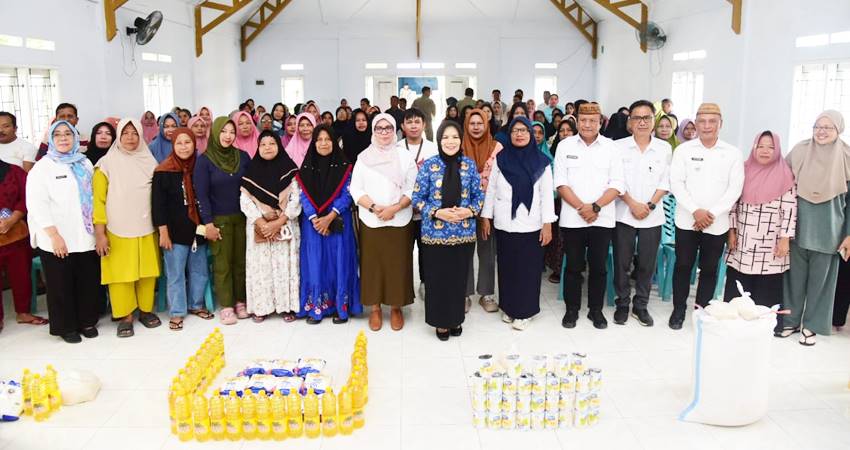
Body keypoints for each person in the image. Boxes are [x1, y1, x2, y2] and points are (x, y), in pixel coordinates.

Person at [669, 103, 744, 330]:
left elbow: (735, 189)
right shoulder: (683, 150)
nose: (707, 126)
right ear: (696, 123)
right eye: (702, 121)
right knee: (683, 266)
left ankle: (701, 311)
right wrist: (695, 210)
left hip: (716, 223)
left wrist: (711, 214)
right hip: (687, 220)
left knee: (709, 269)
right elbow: (676, 183)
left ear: (721, 124)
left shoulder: (732, 153)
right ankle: (678, 310)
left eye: (712, 121)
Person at [27, 120, 101, 341]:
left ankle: (87, 321)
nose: (63, 138)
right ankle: (66, 327)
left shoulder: (85, 163)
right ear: (51, 139)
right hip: (56, 237)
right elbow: (37, 205)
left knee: (87, 280)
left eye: (67, 133)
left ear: (75, 137)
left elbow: (95, 197)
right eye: (57, 134)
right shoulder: (42, 168)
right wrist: (54, 235)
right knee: (61, 284)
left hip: (85, 235)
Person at [554, 102, 625, 329]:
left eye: (592, 121)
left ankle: (596, 310)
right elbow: (561, 183)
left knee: (598, 268)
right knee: (573, 267)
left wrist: (595, 207)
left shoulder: (611, 148)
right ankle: (571, 310)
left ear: (600, 122)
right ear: (577, 121)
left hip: (601, 219)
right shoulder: (565, 146)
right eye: (583, 120)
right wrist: (582, 207)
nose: (587, 125)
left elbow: (617, 184)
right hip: (572, 219)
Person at [783, 110, 850, 346]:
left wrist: (848, 234)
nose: (821, 131)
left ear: (838, 130)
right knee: (793, 279)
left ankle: (812, 325)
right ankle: (790, 320)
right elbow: (782, 184)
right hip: (798, 225)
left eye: (827, 127)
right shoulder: (800, 150)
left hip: (830, 230)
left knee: (821, 284)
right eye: (817, 126)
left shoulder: (847, 156)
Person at [482, 116, 555, 330]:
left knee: (528, 269)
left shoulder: (542, 162)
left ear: (530, 134)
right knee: (507, 267)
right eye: (515, 130)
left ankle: (525, 311)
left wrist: (548, 224)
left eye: (524, 130)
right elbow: (491, 189)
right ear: (509, 134)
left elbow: (546, 195)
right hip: (505, 222)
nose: (519, 134)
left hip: (531, 225)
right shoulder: (501, 158)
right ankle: (508, 307)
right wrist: (486, 216)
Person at [413, 121, 483, 339]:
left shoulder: (469, 165)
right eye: (445, 137)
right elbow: (417, 197)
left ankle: (455, 319)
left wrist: (469, 211)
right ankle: (440, 322)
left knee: (458, 279)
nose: (450, 142)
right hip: (434, 235)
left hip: (463, 233)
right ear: (439, 140)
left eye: (455, 137)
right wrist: (437, 212)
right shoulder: (429, 165)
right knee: (437, 280)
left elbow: (479, 196)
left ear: (461, 140)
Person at [93, 118, 162, 337]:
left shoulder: (149, 161)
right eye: (125, 133)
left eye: (134, 133)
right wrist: (100, 233)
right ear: (119, 136)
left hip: (146, 225)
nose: (130, 138)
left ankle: (146, 311)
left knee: (146, 272)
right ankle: (125, 316)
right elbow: (98, 201)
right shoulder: (106, 163)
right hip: (117, 228)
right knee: (121, 275)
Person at [350, 113, 417, 331]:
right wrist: (374, 207)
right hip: (372, 219)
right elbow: (355, 188)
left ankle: (396, 307)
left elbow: (412, 188)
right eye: (380, 128)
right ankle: (375, 308)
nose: (384, 132)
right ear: (373, 131)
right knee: (373, 265)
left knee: (397, 264)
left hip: (399, 218)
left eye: (388, 128)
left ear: (395, 130)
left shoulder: (405, 156)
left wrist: (394, 208)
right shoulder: (363, 157)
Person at [611, 100, 672, 327]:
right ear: (630, 122)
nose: (642, 122)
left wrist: (650, 205)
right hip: (623, 213)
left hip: (652, 215)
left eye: (647, 118)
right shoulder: (617, 147)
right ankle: (622, 304)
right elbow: (615, 181)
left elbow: (666, 181)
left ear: (653, 121)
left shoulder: (664, 148)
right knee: (622, 262)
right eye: (637, 118)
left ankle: (641, 305)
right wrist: (632, 204)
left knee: (647, 263)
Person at [725, 131, 796, 326]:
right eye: (761, 146)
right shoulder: (743, 170)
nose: (765, 151)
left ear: (777, 150)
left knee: (768, 283)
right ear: (754, 147)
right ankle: (735, 321)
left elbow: (790, 210)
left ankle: (764, 325)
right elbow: (732, 203)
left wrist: (785, 239)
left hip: (771, 242)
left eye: (771, 147)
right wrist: (731, 231)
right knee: (739, 280)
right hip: (743, 238)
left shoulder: (785, 174)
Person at [296, 124, 361, 324]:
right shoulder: (305, 168)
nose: (323, 143)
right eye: (319, 140)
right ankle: (317, 307)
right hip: (313, 226)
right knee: (316, 263)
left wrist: (330, 216)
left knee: (338, 262)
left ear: (334, 142)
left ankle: (341, 307)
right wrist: (315, 218)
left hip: (338, 221)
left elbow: (348, 194)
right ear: (313, 143)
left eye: (327, 139)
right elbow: (302, 195)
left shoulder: (345, 167)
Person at [152, 128, 212, 331]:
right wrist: (163, 232)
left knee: (199, 270)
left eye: (188, 142)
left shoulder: (201, 167)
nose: (184, 147)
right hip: (174, 232)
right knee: (175, 273)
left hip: (198, 229)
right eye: (179, 143)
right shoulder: (163, 170)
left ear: (194, 144)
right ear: (173, 145)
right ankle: (177, 311)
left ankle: (196, 304)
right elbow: (158, 205)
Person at [194, 117, 251, 325]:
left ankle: (240, 301)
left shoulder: (242, 157)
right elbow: (202, 195)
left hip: (242, 218)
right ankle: (226, 306)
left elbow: (251, 185)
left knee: (241, 262)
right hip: (219, 221)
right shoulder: (205, 160)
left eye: (231, 132)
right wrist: (208, 223)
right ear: (216, 132)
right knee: (222, 264)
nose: (228, 136)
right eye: (223, 131)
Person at [240, 131, 301, 322]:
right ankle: (262, 307)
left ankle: (287, 306)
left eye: (272, 143)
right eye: (263, 144)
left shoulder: (290, 169)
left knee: (285, 267)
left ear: (279, 146)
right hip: (260, 227)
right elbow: (245, 200)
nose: (267, 148)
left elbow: (296, 198)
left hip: (284, 223)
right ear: (258, 148)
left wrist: (278, 222)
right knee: (261, 268)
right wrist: (262, 222)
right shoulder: (251, 171)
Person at [461, 109, 504, 313]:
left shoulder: (497, 148)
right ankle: (465, 293)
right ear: (466, 125)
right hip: (463, 211)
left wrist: (487, 212)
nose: (476, 127)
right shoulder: (459, 147)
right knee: (464, 252)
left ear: (487, 125)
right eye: (472, 123)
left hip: (489, 209)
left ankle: (486, 293)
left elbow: (501, 181)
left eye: (480, 123)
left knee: (487, 252)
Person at [397, 108, 439, 299]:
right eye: (409, 122)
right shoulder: (396, 148)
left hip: (425, 210)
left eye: (417, 122)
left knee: (426, 249)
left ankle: (425, 282)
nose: (413, 126)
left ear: (424, 125)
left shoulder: (433, 148)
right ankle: (403, 285)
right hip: (402, 209)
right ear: (402, 126)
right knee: (403, 249)